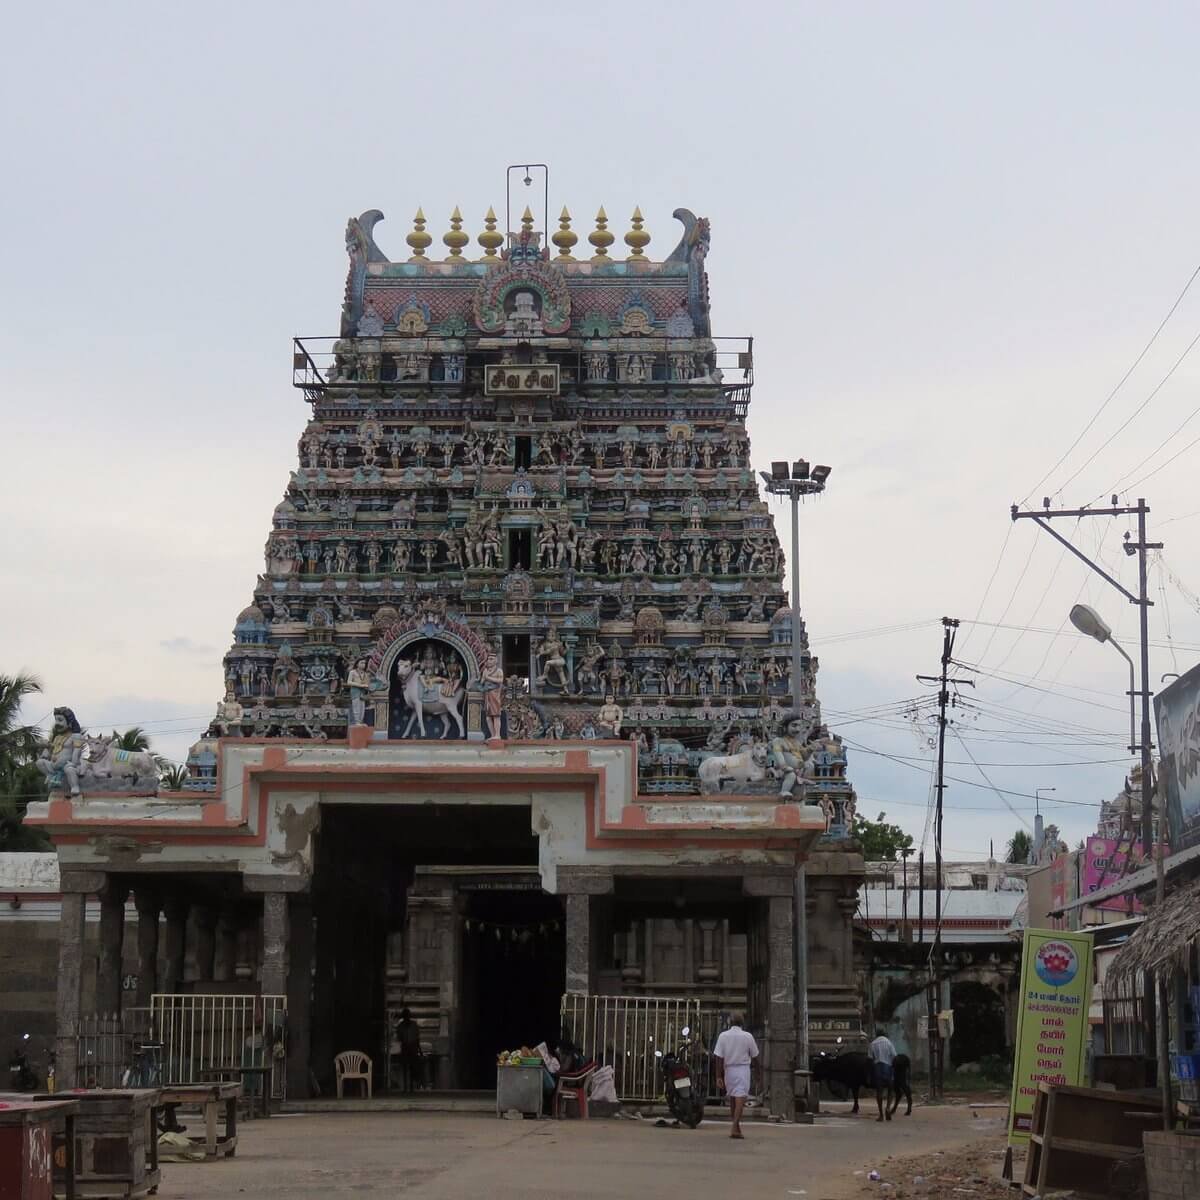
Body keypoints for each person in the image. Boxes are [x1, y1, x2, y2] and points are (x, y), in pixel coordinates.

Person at [713, 1012, 758, 1139]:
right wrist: (758, 1073)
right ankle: (734, 1126)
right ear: (742, 1023)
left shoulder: (723, 1036)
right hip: (742, 1069)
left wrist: (718, 1076)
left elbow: (718, 1058)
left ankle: (737, 1127)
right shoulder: (747, 1036)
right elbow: (755, 1057)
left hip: (729, 1070)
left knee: (733, 1097)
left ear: (730, 1023)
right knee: (740, 1098)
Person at [868, 1026, 898, 1122]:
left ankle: (881, 1115)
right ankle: (888, 1108)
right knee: (891, 1089)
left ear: (877, 1035)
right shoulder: (889, 1042)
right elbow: (894, 1056)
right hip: (887, 1067)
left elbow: (870, 1058)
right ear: (884, 1034)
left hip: (877, 1068)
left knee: (879, 1091)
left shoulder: (873, 1043)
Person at [396, 1008, 423, 1094]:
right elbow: (399, 1037)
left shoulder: (414, 1025)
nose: (407, 1017)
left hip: (412, 1047)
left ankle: (411, 1087)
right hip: (405, 1047)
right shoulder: (400, 1026)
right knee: (405, 1067)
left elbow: (417, 1038)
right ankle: (406, 1087)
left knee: (412, 1067)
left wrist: (419, 1050)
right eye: (405, 1016)